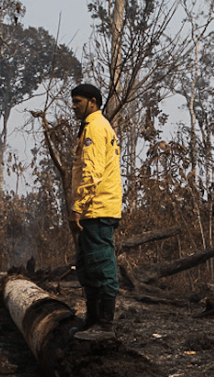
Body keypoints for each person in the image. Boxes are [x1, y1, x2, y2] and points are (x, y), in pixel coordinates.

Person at [70, 83, 122, 341]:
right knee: (88, 266)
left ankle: (105, 325)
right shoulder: (96, 126)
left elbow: (91, 173)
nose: (74, 106)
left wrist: (77, 208)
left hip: (97, 208)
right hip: (94, 208)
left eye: (78, 101)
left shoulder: (95, 127)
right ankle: (92, 321)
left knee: (101, 266)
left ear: (92, 101)